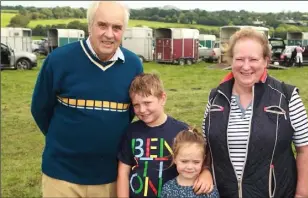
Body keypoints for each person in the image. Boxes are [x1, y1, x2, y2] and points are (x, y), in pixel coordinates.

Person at [31, 1, 143, 197]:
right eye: (102, 25)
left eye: (116, 27)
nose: (109, 34)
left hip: (111, 176)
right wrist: (65, 141)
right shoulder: (59, 59)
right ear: (90, 25)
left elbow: (132, 112)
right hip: (62, 176)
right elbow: (40, 108)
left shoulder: (133, 65)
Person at [202, 28, 308, 198]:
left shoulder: (287, 97)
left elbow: (305, 149)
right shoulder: (215, 98)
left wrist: (301, 194)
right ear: (231, 61)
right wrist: (204, 170)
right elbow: (206, 146)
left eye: (253, 59)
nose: (246, 66)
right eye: (239, 59)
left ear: (265, 61)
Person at [117, 73, 213, 198]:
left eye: (147, 103)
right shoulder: (131, 131)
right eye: (136, 105)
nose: (141, 109)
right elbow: (123, 172)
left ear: (162, 98)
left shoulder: (182, 131)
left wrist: (206, 173)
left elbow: (199, 159)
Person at [160, 128, 220, 198]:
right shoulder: (168, 188)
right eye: (184, 161)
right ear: (175, 158)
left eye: (196, 162)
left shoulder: (208, 189)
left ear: (203, 160)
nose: (190, 167)